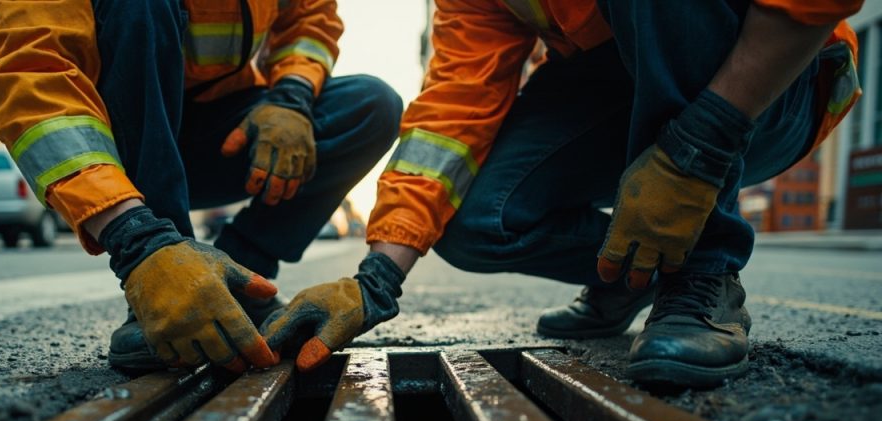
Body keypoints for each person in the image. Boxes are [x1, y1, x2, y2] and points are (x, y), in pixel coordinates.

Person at [263, 0, 863, 388]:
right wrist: (376, 278)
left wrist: (697, 149)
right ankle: (632, 274)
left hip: (771, 79)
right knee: (475, 220)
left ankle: (702, 275)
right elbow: (453, 112)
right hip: (625, 78)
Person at [0, 0, 402, 372]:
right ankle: (167, 284)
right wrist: (137, 240)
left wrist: (290, 98)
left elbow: (310, 20)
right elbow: (34, 71)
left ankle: (239, 283)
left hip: (222, 131)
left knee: (372, 106)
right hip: (127, 133)